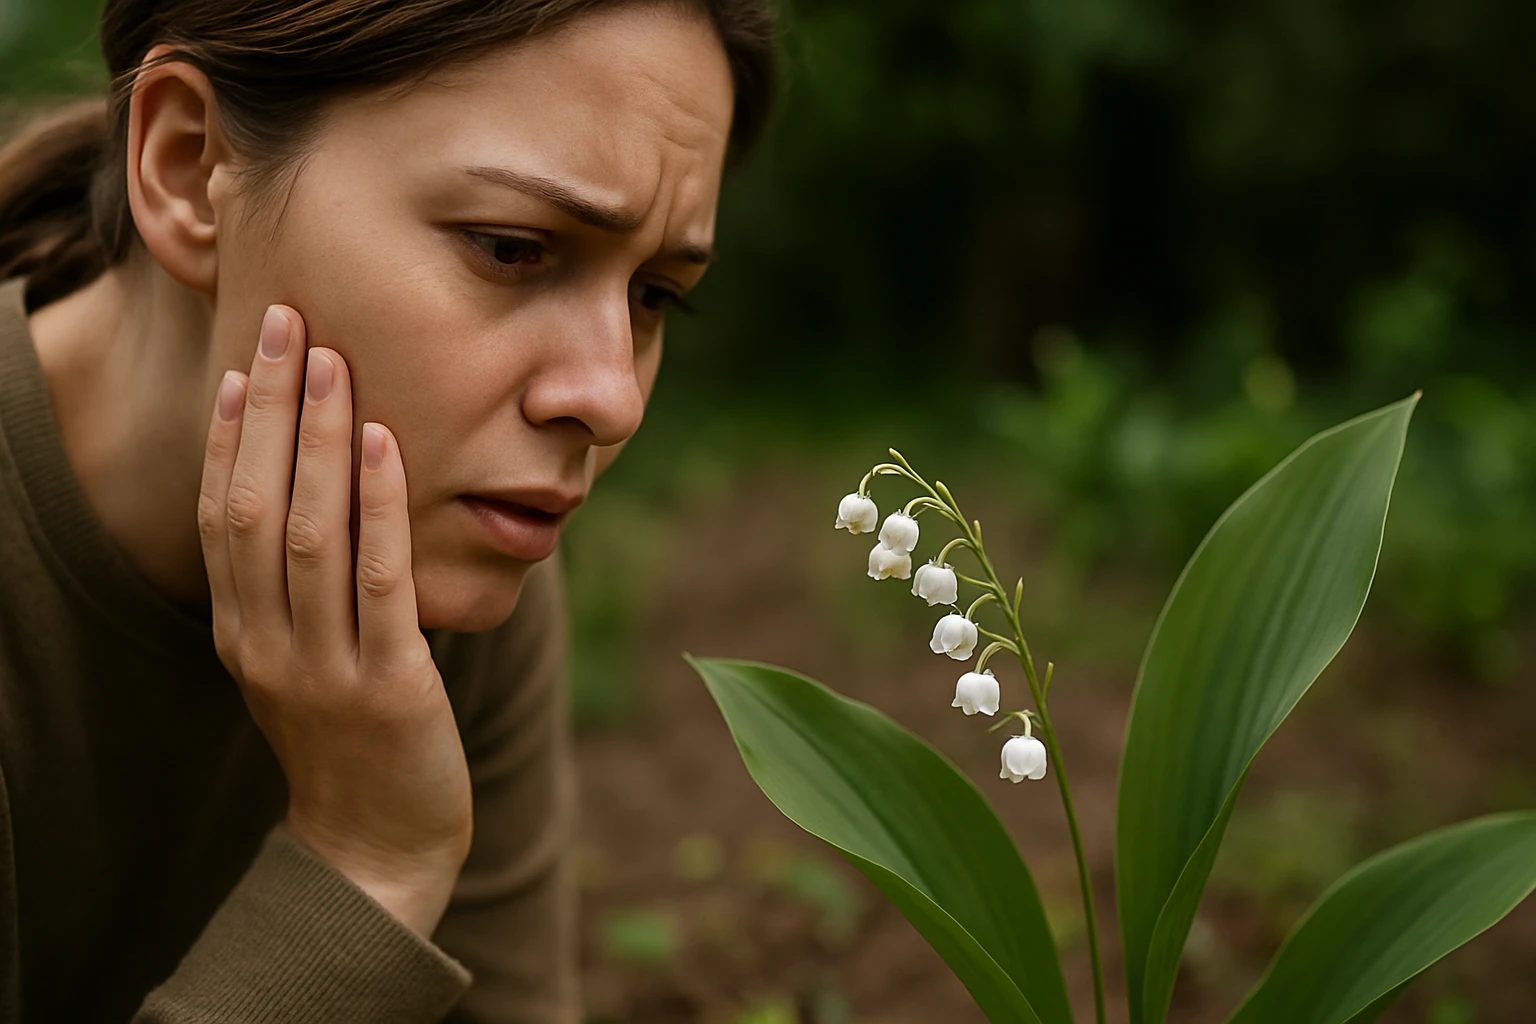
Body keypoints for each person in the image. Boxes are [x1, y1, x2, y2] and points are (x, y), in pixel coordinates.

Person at [0, 0, 774, 1020]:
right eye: (510, 247)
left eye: (653, 297)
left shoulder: (434, 555)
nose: (609, 397)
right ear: (190, 171)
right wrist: (366, 860)